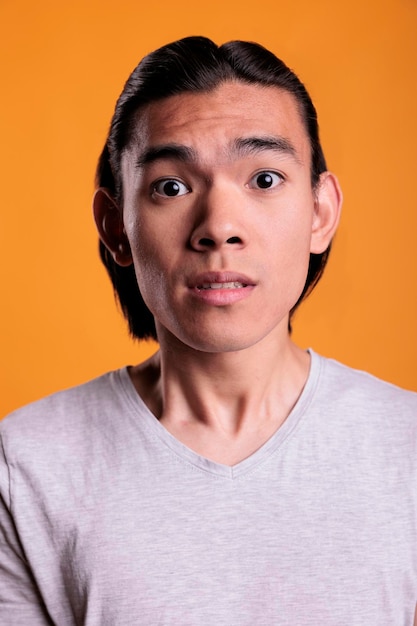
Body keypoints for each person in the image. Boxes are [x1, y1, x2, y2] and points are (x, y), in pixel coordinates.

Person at [0, 35, 416, 626]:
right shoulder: (27, 466)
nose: (219, 227)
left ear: (321, 214)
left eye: (265, 179)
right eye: (172, 186)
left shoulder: (408, 452)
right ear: (116, 226)